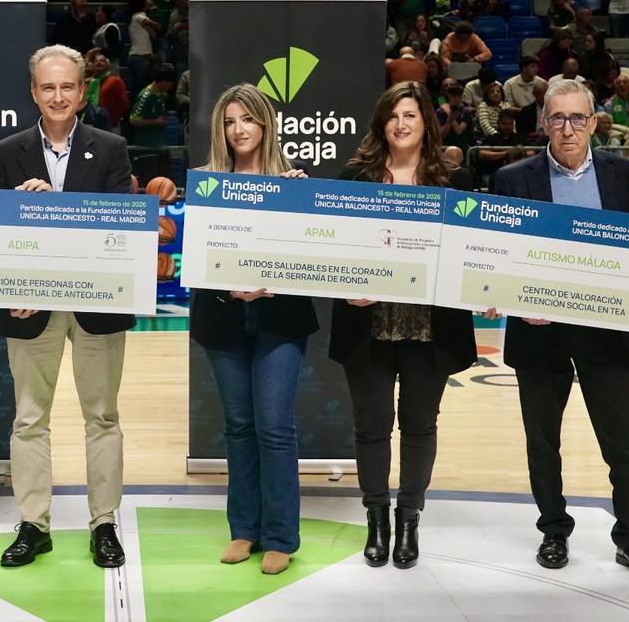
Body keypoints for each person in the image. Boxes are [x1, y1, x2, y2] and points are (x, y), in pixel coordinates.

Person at [491, 78, 629, 581]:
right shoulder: (512, 178)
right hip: (539, 331)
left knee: (626, 444)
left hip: (606, 331)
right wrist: (515, 300)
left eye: (577, 118)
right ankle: (553, 530)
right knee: (542, 442)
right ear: (543, 122)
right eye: (557, 118)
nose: (567, 128)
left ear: (594, 122)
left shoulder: (618, 172)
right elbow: (496, 254)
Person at [0, 45, 133, 570]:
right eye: (48, 87)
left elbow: (120, 227)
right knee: (29, 420)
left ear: (83, 91)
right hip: (29, 307)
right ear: (33, 92)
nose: (58, 95)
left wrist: (53, 207)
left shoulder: (111, 148)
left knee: (103, 417)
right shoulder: (5, 154)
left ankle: (104, 523)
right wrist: (10, 288)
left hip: (97, 304)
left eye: (67, 86)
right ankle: (33, 524)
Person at [330, 82, 477, 569]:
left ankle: (409, 516)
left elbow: (475, 255)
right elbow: (332, 251)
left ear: (425, 123)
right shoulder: (355, 178)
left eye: (410, 115)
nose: (401, 123)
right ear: (381, 124)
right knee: (371, 428)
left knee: (419, 426)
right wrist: (345, 285)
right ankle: (377, 517)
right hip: (368, 326)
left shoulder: (452, 181)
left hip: (429, 330)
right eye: (393, 115)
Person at [189, 84, 316, 575]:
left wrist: (271, 284)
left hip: (280, 320)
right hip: (223, 317)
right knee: (238, 426)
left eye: (248, 120)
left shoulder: (294, 182)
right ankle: (245, 529)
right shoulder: (205, 183)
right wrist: (231, 290)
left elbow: (311, 258)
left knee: (274, 427)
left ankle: (282, 535)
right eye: (229, 121)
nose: (239, 130)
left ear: (266, 124)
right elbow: (197, 266)